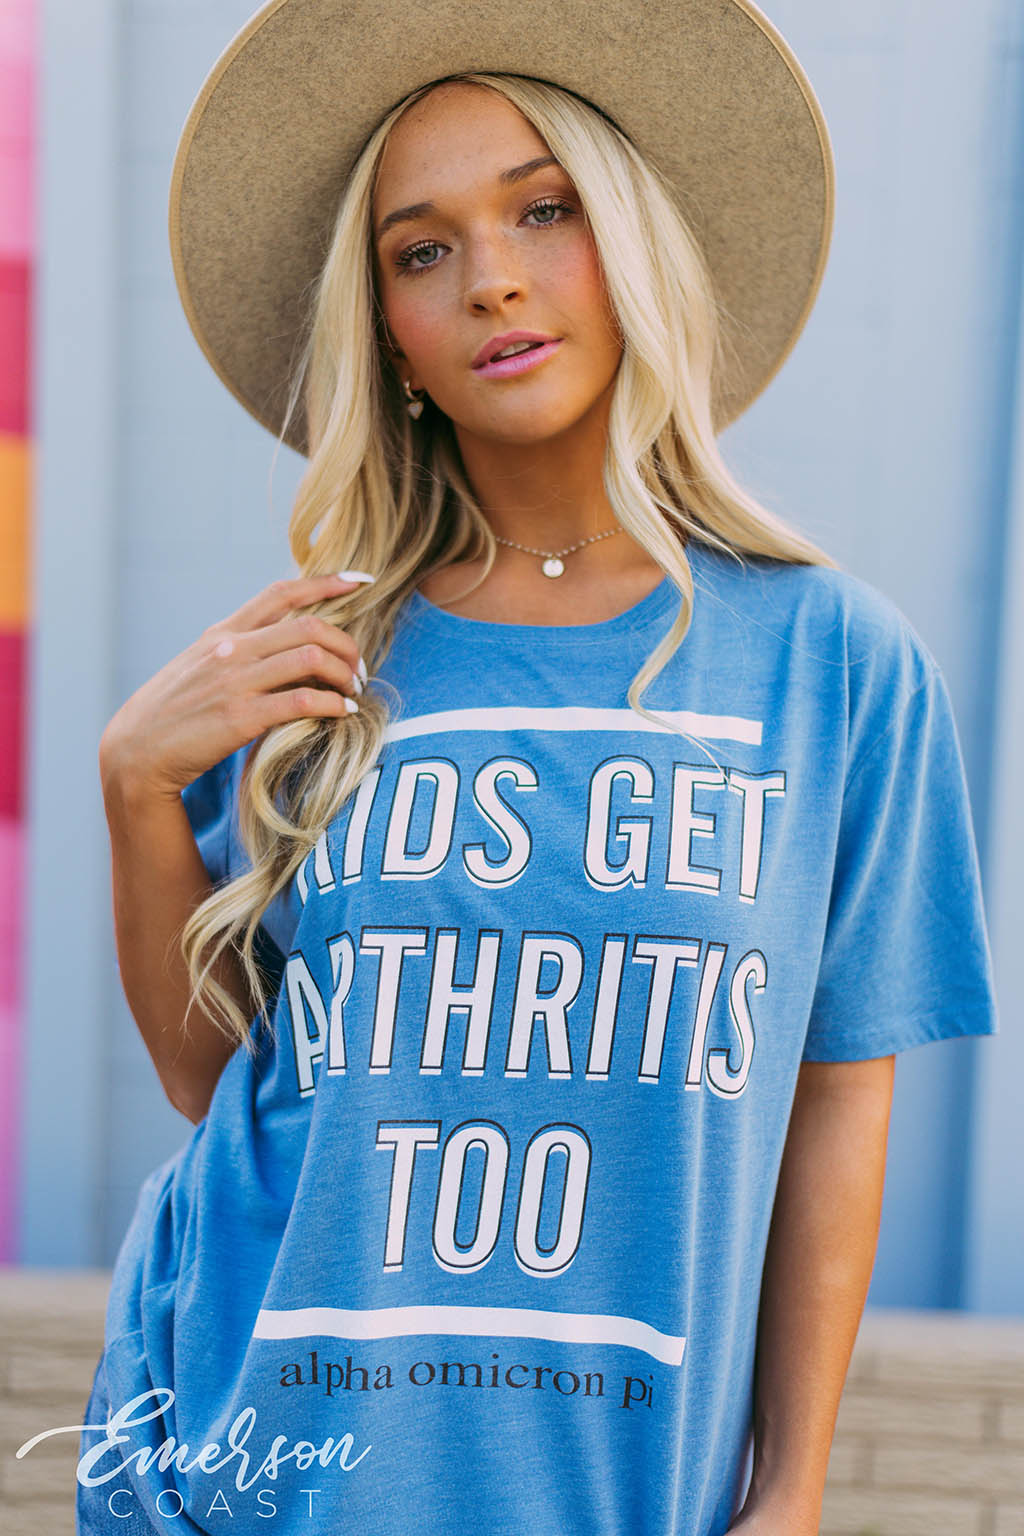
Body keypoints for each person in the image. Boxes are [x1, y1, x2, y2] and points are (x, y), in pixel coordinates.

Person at [76, 4, 999, 1534]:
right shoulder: (314, 660)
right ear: (390, 333)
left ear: (630, 244)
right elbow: (220, 1085)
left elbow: (839, 1097)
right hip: (262, 1472)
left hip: (621, 1485)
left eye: (544, 209)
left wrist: (790, 1491)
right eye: (421, 249)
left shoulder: (837, 664)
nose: (491, 276)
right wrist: (131, 789)